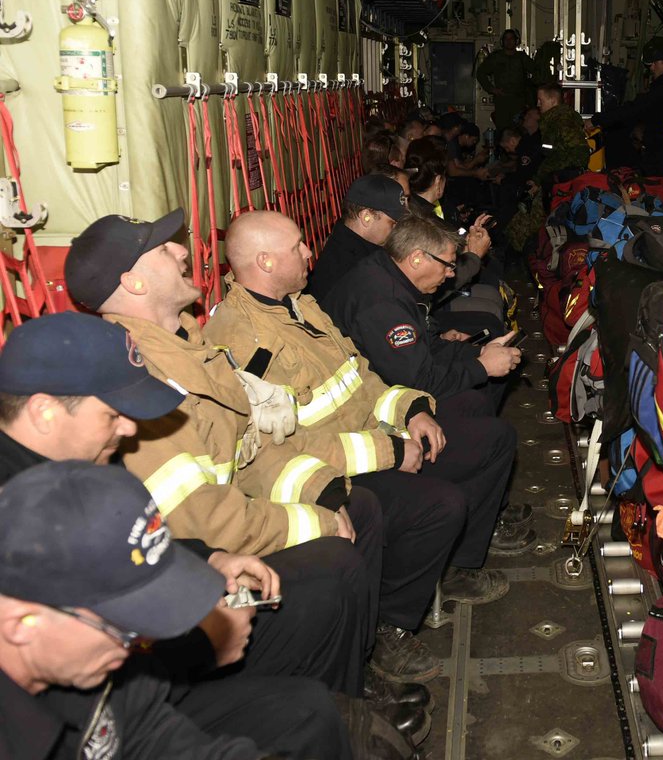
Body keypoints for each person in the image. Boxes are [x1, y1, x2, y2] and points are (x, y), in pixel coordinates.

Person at [60, 209, 429, 695]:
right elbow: (199, 517)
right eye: (163, 249)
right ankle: (331, 705)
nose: (182, 252)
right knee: (337, 566)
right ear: (134, 282)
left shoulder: (190, 345)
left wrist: (322, 492)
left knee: (355, 505)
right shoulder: (143, 377)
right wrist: (311, 521)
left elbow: (248, 453)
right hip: (196, 561)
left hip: (239, 513)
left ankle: (354, 671)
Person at [0, 311, 433, 713]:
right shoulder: (23, 503)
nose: (128, 428)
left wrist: (210, 560)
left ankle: (347, 695)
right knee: (313, 700)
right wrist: (206, 632)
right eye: (113, 415)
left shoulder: (74, 468)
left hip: (163, 616)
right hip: (124, 684)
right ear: (44, 412)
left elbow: (148, 543)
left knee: (341, 559)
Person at [208, 210, 527, 602]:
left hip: (370, 435)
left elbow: (360, 377)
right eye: (297, 247)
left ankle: (453, 560)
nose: (310, 252)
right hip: (335, 469)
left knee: (489, 433)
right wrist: (391, 451)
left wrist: (411, 411)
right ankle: (394, 621)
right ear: (266, 262)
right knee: (443, 505)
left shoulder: (301, 307)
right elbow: (285, 448)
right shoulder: (245, 343)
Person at [0, 461, 353, 759]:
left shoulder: (89, 661)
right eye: (125, 629)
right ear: (20, 625)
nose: (139, 645)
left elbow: (148, 733)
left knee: (308, 711)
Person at [323, 215, 523, 405]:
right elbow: (419, 382)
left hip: (394, 377)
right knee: (483, 415)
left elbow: (424, 344)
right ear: (417, 258)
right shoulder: (383, 304)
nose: (451, 273)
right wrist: (483, 366)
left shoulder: (389, 273)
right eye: (447, 265)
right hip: (372, 399)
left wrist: (480, 351)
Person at [587, 43, 663, 178]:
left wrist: (597, 120)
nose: (651, 68)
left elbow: (632, 110)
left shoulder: (662, 90)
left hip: (661, 157)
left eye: (654, 63)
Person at [307, 174, 408, 303]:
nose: (397, 229)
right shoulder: (348, 268)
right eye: (393, 223)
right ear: (367, 217)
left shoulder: (358, 249)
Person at [535, 81, 591, 189]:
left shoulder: (563, 122)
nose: (538, 104)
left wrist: (556, 172)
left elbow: (580, 154)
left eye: (540, 100)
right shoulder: (551, 122)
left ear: (553, 101)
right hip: (555, 179)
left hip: (563, 182)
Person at [476, 29, 535, 129]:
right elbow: (480, 73)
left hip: (519, 101)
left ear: (516, 41)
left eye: (511, 38)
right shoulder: (496, 57)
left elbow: (536, 71)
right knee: (502, 130)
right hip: (502, 101)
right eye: (506, 39)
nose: (509, 41)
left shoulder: (522, 57)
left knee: (518, 130)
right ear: (502, 41)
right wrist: (492, 89)